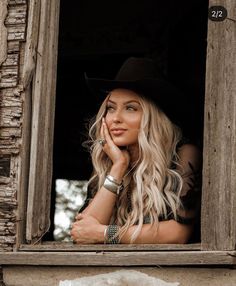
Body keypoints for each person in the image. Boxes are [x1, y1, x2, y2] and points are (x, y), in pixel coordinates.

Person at [70, 57, 202, 244]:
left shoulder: (184, 154)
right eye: (110, 108)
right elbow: (82, 235)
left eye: (130, 108)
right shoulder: (109, 163)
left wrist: (106, 234)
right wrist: (118, 167)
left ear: (153, 117)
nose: (115, 118)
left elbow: (177, 233)